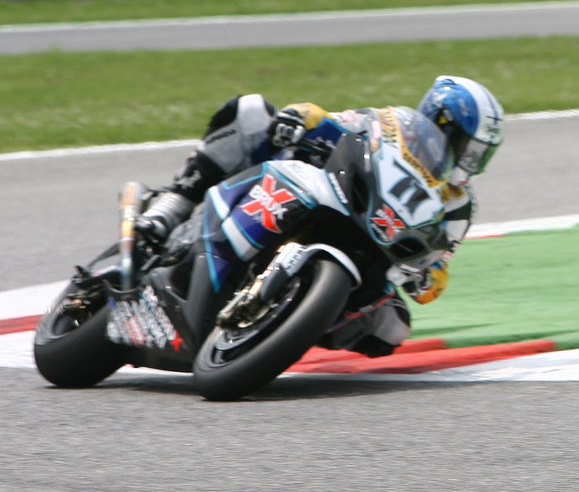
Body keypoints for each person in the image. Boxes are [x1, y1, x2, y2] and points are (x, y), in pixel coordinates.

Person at [134, 76, 505, 357]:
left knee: (392, 329)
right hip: (325, 193)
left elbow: (442, 260)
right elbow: (329, 120)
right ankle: (175, 202)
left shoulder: (458, 203)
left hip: (372, 249)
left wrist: (429, 278)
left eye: (479, 154)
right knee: (251, 112)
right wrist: (297, 120)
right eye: (466, 147)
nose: (470, 161)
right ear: (440, 121)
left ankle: (286, 323)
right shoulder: (392, 125)